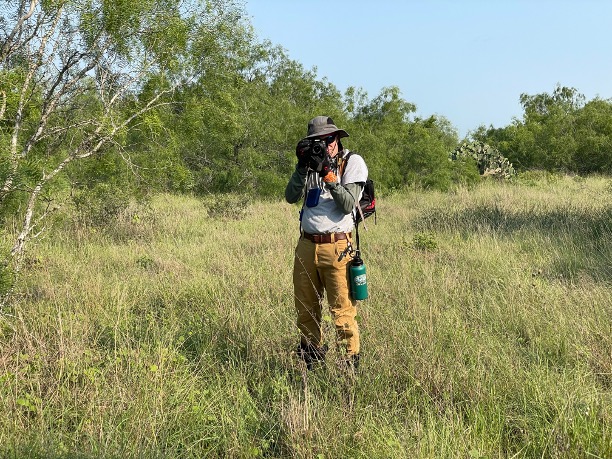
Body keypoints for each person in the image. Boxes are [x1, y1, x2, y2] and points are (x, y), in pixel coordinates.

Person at [285, 116, 368, 370]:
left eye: (329, 139)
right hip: (306, 245)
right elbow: (290, 196)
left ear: (338, 139)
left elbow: (346, 205)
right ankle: (311, 361)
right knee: (306, 308)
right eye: (317, 142)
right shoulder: (309, 165)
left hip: (337, 247)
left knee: (342, 312)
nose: (325, 145)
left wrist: (327, 174)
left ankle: (350, 367)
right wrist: (302, 166)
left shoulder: (353, 163)